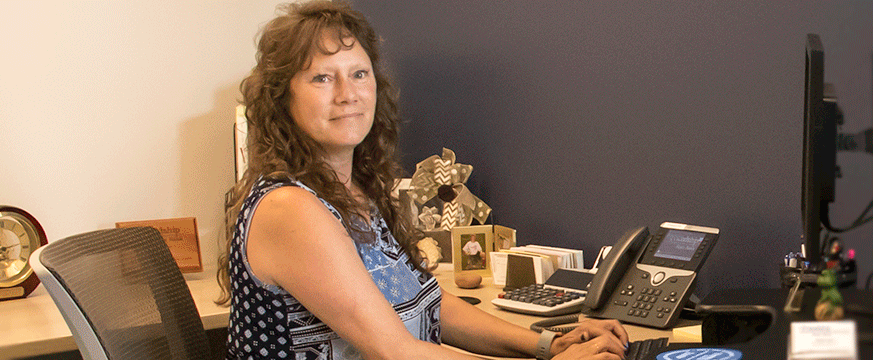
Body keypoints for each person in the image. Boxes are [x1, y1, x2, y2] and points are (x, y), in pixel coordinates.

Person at [216, 1, 630, 359]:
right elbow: (396, 351)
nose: (347, 93)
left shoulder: (353, 192)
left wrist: (548, 344)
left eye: (358, 74)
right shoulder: (290, 207)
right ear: (281, 99)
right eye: (322, 78)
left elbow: (432, 305)